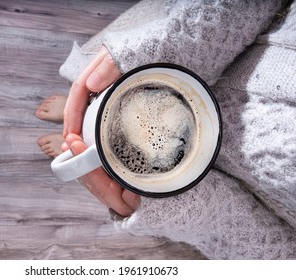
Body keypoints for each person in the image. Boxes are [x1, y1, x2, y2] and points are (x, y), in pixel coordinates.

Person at [36, 0, 296, 259]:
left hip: (199, 179)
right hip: (213, 54)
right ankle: (82, 126)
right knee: (88, 82)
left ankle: (79, 140)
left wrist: (205, 217)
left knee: (94, 136)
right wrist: (193, 34)